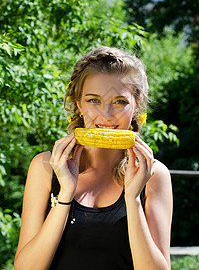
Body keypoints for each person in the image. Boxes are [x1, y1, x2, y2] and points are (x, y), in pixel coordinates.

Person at [14, 46, 173, 270]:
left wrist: (133, 199)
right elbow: (26, 268)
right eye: (93, 100)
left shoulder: (154, 175)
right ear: (78, 104)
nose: (106, 115)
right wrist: (65, 194)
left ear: (136, 106)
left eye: (120, 101)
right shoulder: (45, 168)